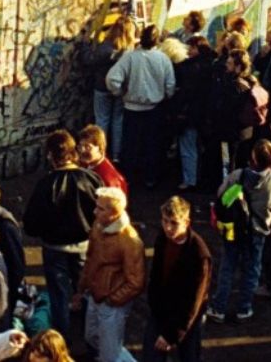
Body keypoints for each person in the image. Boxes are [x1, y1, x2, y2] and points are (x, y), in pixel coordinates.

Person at [22, 130, 101, 342]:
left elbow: (31, 223)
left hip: (54, 248)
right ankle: (90, 336)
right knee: (86, 290)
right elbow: (102, 213)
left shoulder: (46, 184)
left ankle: (61, 342)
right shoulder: (91, 179)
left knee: (58, 295)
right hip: (84, 246)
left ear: (51, 155)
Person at [208, 139, 271, 323]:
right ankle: (244, 307)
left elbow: (221, 195)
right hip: (257, 231)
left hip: (234, 229)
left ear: (253, 158)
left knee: (228, 266)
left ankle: (219, 308)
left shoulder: (237, 176)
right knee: (252, 269)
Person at [74, 186, 145, 362]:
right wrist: (81, 290)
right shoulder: (98, 227)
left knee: (109, 354)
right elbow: (90, 260)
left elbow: (136, 282)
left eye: (100, 208)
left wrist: (112, 300)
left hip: (111, 303)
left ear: (114, 213)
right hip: (95, 296)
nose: (94, 211)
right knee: (93, 338)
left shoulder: (130, 241)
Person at [107, 24, 177, 189]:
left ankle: (129, 178)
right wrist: (167, 95)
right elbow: (170, 84)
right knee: (152, 145)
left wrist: (120, 92)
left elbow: (112, 79)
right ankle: (150, 178)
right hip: (154, 109)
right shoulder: (163, 59)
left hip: (131, 108)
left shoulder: (130, 57)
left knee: (130, 146)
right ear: (157, 41)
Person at [145, 195, 211, 362]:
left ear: (187, 222)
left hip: (186, 320)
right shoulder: (163, 239)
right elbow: (155, 278)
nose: (168, 227)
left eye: (174, 223)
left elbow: (193, 302)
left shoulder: (199, 254)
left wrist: (171, 335)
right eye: (165, 220)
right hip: (161, 311)